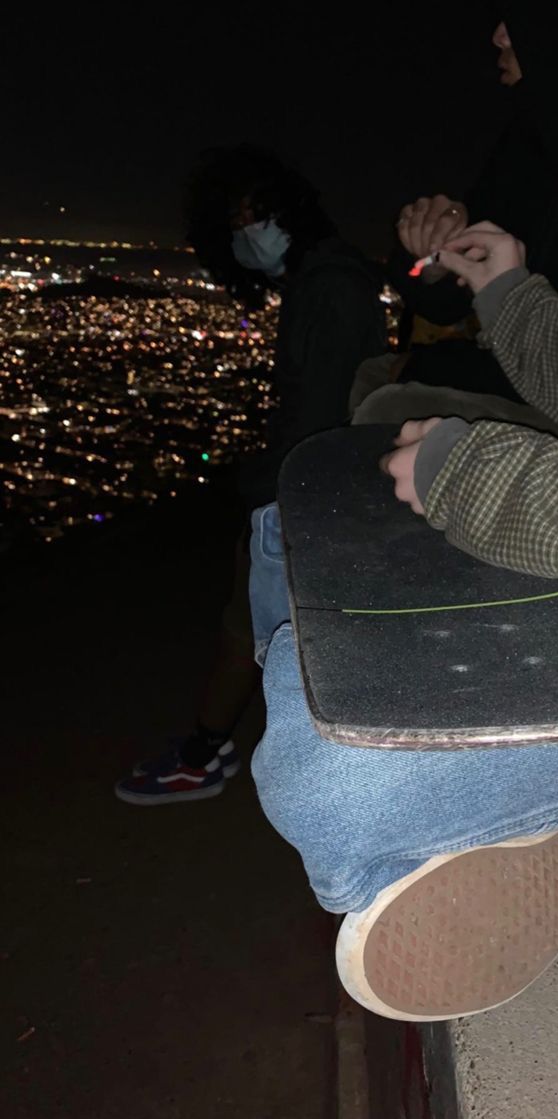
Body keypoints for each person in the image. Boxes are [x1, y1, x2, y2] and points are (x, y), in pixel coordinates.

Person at [247, 5, 558, 1021]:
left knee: (331, 773)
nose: (500, 29)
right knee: (299, 539)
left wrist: (468, 476)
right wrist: (501, 289)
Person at [115, 145, 387, 804]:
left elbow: (321, 416)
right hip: (306, 494)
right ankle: (212, 750)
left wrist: (265, 498)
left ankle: (319, 784)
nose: (245, 236)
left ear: (286, 212)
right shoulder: (323, 280)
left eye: (251, 218)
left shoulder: (330, 288)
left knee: (278, 649)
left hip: (303, 500)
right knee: (257, 633)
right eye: (234, 222)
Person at [366, 0, 558, 409]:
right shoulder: (529, 144)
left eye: (522, 14)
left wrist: (426, 368)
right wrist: (433, 254)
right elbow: (448, 302)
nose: (499, 36)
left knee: (384, 400)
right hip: (526, 374)